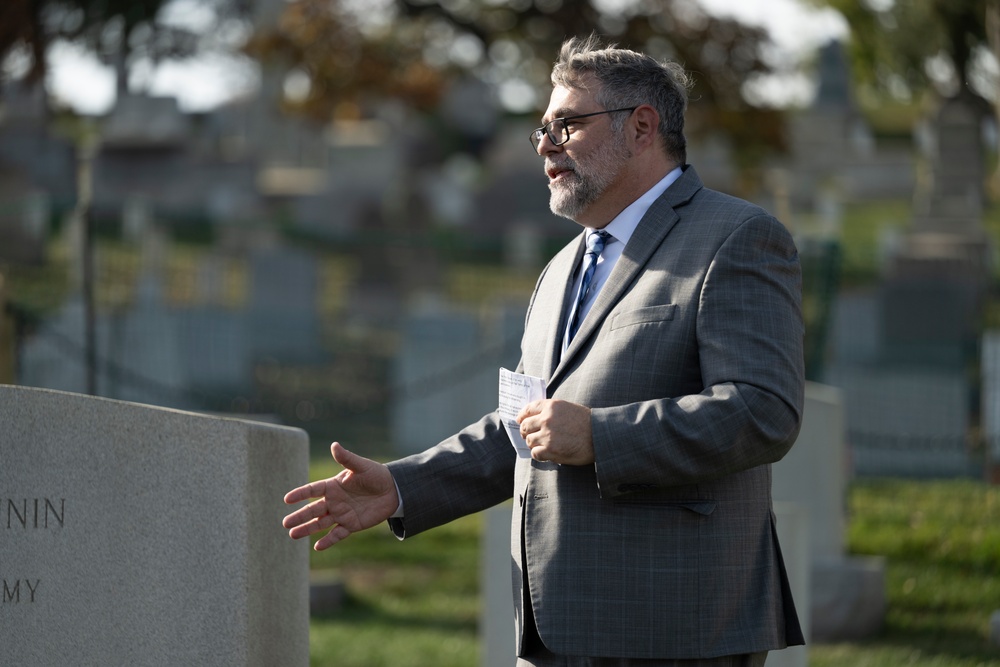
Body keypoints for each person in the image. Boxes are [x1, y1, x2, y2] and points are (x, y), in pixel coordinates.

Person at [283, 34, 806, 667]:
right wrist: (403, 487)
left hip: (675, 625)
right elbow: (527, 428)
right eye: (541, 130)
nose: (546, 145)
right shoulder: (560, 268)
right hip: (554, 624)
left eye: (567, 124)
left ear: (642, 127)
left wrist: (602, 436)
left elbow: (762, 410)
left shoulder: (736, 237)